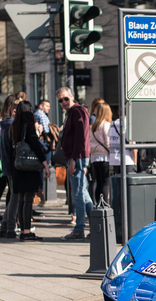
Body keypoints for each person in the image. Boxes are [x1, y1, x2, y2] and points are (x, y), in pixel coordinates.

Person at [10, 101, 51, 241]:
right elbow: (35, 145)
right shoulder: (29, 127)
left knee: (21, 199)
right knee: (28, 200)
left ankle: (23, 229)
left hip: (17, 166)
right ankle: (26, 231)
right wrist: (45, 164)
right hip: (28, 167)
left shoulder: (14, 127)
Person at [57, 86, 93, 240]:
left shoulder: (77, 111)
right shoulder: (73, 112)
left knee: (78, 194)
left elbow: (80, 137)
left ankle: (79, 229)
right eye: (60, 100)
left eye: (66, 98)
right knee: (83, 193)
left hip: (76, 157)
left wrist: (74, 159)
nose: (64, 102)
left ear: (72, 96)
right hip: (76, 156)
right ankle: (96, 226)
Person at [0, 94, 19, 238]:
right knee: (15, 196)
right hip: (12, 165)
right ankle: (9, 227)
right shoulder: (11, 124)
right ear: (14, 110)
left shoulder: (5, 123)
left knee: (13, 196)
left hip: (7, 164)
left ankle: (5, 226)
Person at [89, 103, 112, 204]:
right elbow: (108, 142)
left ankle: (98, 204)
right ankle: (105, 204)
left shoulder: (93, 126)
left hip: (94, 157)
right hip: (104, 157)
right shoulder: (106, 125)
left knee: (97, 182)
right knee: (105, 183)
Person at [34, 99, 51, 206]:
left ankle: (40, 195)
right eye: (47, 106)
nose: (48, 108)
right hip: (43, 145)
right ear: (41, 106)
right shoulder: (40, 114)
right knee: (42, 169)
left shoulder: (38, 114)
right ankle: (40, 195)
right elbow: (46, 130)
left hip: (41, 144)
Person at [108, 108, 137, 175]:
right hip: (127, 159)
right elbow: (133, 145)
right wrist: (135, 162)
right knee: (128, 184)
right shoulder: (129, 124)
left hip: (114, 160)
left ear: (118, 112)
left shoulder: (112, 124)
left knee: (117, 183)